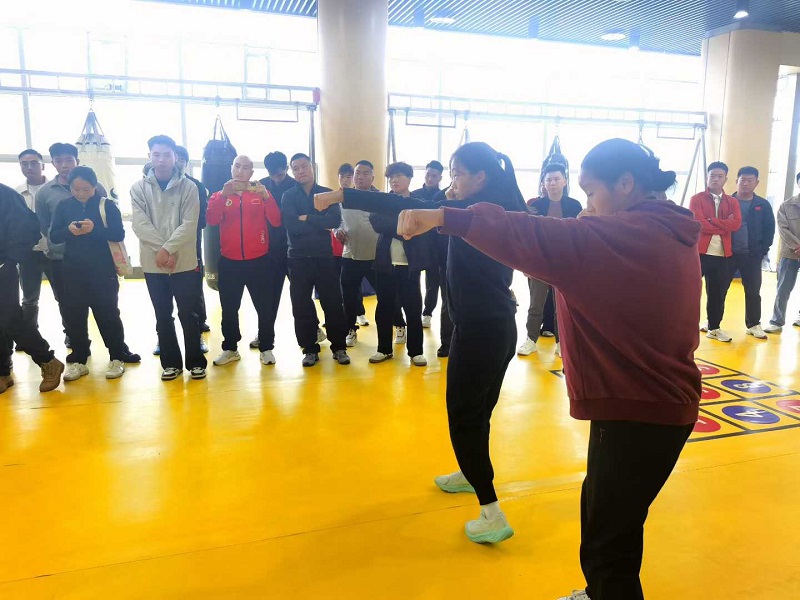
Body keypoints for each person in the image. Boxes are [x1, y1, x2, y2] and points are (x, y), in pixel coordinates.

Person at [395, 138, 701, 600]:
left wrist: (443, 216)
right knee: (607, 519)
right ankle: (599, 592)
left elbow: (529, 234)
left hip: (639, 409)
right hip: (650, 404)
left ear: (626, 184)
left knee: (607, 543)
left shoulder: (617, 237)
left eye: (591, 193)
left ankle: (605, 591)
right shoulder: (665, 229)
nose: (586, 206)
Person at [315, 142, 527, 542]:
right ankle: (469, 472)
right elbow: (400, 204)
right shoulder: (489, 208)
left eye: (457, 174)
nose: (452, 181)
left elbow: (409, 207)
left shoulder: (479, 215)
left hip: (482, 331)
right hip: (492, 326)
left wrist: (348, 196)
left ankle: (492, 513)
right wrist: (344, 195)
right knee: (478, 412)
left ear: (480, 177)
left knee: (463, 416)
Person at [49, 167, 140, 381]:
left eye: (86, 189)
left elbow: (118, 233)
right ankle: (80, 360)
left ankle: (116, 357)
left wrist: (94, 229)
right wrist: (69, 230)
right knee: (75, 316)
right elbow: (54, 236)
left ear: (94, 186)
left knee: (108, 314)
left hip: (102, 270)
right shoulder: (64, 206)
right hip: (72, 270)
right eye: (76, 189)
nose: (81, 193)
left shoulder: (106, 205)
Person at [131, 135, 206, 381]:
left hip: (184, 261)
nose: (161, 159)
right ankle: (171, 363)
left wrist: (168, 249)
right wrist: (162, 251)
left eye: (166, 154)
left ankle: (196, 362)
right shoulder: (138, 188)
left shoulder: (189, 187)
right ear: (149, 156)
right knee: (163, 314)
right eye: (156, 154)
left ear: (175, 157)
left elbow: (190, 223)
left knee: (189, 313)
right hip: (154, 264)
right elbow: (140, 224)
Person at [207, 155, 281, 367]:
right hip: (229, 262)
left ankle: (266, 347)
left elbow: (276, 221)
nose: (240, 171)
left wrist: (267, 197)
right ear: (231, 169)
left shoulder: (260, 193)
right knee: (229, 308)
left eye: (246, 168)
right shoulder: (219, 195)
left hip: (259, 261)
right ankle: (230, 348)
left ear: (251, 173)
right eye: (237, 166)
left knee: (265, 307)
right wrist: (223, 196)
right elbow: (211, 219)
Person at [358, 161, 432, 366]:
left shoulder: (417, 203)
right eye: (391, 177)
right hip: (385, 263)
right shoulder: (383, 201)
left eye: (399, 176)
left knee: (413, 308)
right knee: (384, 308)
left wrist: (408, 227)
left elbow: (423, 226)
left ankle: (416, 351)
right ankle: (384, 349)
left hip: (409, 265)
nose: (394, 180)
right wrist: (405, 229)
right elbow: (377, 222)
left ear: (409, 178)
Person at [36, 143, 108, 348]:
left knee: (104, 302)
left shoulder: (96, 187)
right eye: (59, 161)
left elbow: (107, 217)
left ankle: (116, 346)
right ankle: (76, 341)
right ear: (53, 163)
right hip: (60, 257)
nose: (64, 165)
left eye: (69, 160)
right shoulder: (45, 192)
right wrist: (65, 235)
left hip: (95, 257)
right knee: (67, 303)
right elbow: (44, 224)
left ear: (77, 161)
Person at [282, 153, 350, 367]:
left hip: (324, 257)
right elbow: (292, 225)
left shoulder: (327, 194)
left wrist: (307, 217)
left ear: (312, 167)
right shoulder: (288, 196)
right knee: (301, 304)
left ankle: (339, 347)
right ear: (292, 172)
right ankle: (309, 349)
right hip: (298, 258)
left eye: (304, 166)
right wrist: (319, 221)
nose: (300, 171)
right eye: (296, 168)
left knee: (333, 302)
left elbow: (334, 221)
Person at [0, 183, 64, 394]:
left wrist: (10, 259)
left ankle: (47, 361)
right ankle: (2, 372)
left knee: (10, 319)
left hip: (2, 267)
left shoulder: (6, 195)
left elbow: (28, 228)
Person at [518, 163, 582, 357]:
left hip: (564, 263)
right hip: (539, 262)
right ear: (543, 184)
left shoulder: (574, 205)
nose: (552, 183)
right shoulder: (536, 206)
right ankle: (531, 339)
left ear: (564, 181)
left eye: (556, 179)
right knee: (536, 304)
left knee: (561, 305)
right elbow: (528, 236)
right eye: (548, 180)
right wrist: (526, 264)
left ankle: (561, 342)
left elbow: (579, 235)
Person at [689, 161, 741, 342]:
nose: (716, 179)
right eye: (712, 176)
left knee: (718, 294)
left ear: (726, 179)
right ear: (707, 177)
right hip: (700, 254)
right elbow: (699, 223)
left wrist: (713, 220)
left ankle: (714, 327)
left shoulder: (732, 201)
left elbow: (736, 224)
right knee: (691, 292)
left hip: (723, 255)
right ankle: (687, 326)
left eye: (720, 176)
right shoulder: (697, 199)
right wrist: (724, 224)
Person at [251, 151, 298, 350]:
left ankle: (312, 329)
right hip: (270, 250)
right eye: (272, 174)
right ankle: (264, 334)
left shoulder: (296, 186)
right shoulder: (260, 186)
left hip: (294, 248)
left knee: (300, 295)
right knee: (268, 297)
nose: (276, 178)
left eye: (280, 174)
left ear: (286, 169)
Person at [725, 166, 774, 339]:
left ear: (756, 183)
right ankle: (713, 322)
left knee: (753, 291)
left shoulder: (762, 204)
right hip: (728, 254)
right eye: (742, 180)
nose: (745, 183)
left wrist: (762, 250)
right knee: (719, 289)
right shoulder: (726, 202)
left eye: (750, 180)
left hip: (752, 255)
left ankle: (753, 324)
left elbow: (769, 229)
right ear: (736, 181)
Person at [338, 160, 382, 347]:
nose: (360, 177)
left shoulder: (381, 198)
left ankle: (398, 324)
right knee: (348, 296)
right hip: (351, 254)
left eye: (365, 173)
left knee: (386, 295)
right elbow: (336, 221)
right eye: (357, 173)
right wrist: (337, 231)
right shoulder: (344, 197)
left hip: (376, 256)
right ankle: (350, 329)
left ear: (372, 177)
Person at [175, 145, 211, 339]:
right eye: (175, 157)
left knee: (194, 284)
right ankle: (163, 334)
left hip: (190, 243)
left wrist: (183, 228)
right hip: (162, 245)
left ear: (186, 163)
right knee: (163, 293)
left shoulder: (196, 186)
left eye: (181, 159)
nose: (177, 162)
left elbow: (202, 221)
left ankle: (199, 322)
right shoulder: (151, 185)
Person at [15, 149, 49, 330]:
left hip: (54, 251)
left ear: (43, 165)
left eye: (34, 163)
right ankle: (29, 335)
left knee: (64, 296)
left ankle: (71, 336)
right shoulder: (16, 194)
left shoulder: (54, 189)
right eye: (24, 164)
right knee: (29, 298)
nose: (29, 167)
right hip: (28, 253)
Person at [765, 171, 800, 333]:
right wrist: (797, 246)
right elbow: (783, 229)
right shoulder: (786, 206)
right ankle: (777, 322)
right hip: (790, 253)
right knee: (783, 288)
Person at [414, 160, 445, 328]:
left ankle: (427, 312)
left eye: (434, 175)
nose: (430, 178)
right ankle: (414, 311)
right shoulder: (415, 195)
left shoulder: (444, 197)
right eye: (428, 174)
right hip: (417, 244)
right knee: (413, 280)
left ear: (440, 177)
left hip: (437, 246)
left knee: (433, 282)